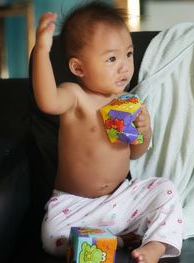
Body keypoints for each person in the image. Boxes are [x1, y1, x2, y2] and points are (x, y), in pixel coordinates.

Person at [32, 1, 183, 263]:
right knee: (51, 236)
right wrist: (41, 51)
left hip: (119, 199)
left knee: (165, 189)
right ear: (78, 68)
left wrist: (144, 132)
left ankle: (156, 245)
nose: (125, 67)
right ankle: (118, 240)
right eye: (112, 59)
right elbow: (47, 101)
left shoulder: (127, 101)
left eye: (128, 54)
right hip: (74, 206)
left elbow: (136, 153)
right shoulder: (75, 96)